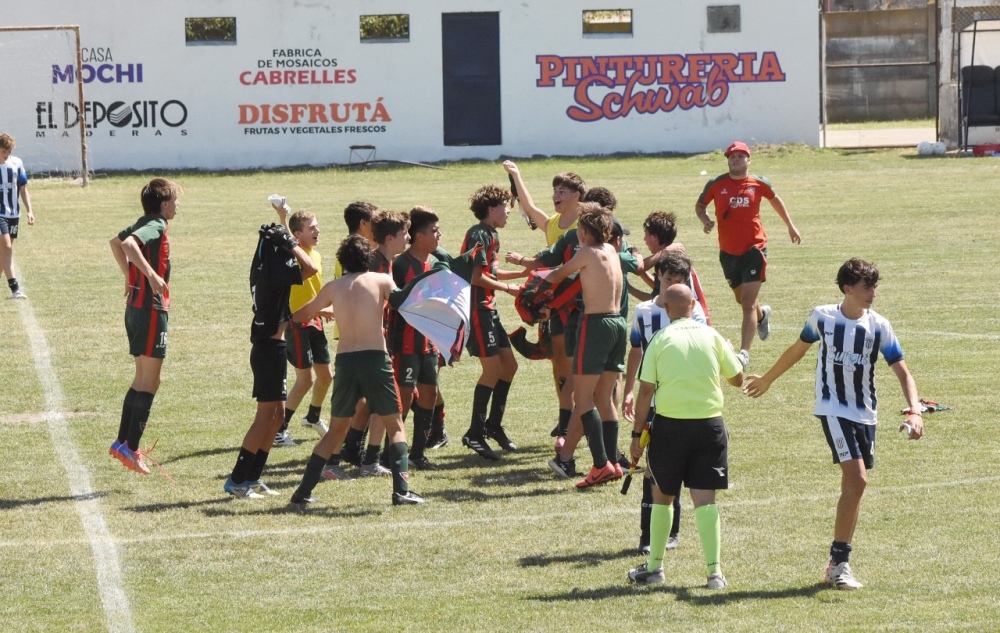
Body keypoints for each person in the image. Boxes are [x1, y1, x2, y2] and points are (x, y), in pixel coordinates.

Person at [743, 258, 923, 590]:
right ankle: (840, 563)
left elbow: (902, 370)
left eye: (875, 286)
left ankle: (837, 564)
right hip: (832, 409)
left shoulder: (879, 326)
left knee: (854, 488)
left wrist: (915, 410)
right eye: (867, 287)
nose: (873, 293)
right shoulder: (823, 317)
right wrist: (768, 379)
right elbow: (797, 349)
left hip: (865, 413)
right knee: (857, 478)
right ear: (847, 288)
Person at [289, 234, 424, 507]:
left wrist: (326, 308)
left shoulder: (333, 287)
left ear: (342, 260)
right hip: (376, 359)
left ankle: (302, 492)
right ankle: (401, 492)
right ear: (369, 258)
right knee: (395, 425)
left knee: (336, 430)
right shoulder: (382, 280)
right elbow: (403, 303)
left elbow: (300, 315)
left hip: (346, 362)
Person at [626, 283, 744, 589]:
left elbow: (645, 393)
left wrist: (636, 434)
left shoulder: (660, 339)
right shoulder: (713, 336)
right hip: (709, 427)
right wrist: (732, 352)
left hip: (669, 428)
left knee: (662, 497)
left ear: (666, 309)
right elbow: (736, 379)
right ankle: (714, 573)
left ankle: (654, 568)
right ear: (694, 305)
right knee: (705, 500)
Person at [223, 218, 318, 497]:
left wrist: (285, 232)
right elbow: (310, 267)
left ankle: (252, 477)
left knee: (277, 417)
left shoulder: (267, 265)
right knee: (265, 417)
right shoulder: (274, 273)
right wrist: (291, 242)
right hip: (267, 350)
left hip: (273, 348)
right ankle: (237, 479)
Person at [534, 203, 627, 489]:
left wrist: (533, 289)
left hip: (596, 325)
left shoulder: (585, 252)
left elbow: (557, 275)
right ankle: (612, 462)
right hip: (618, 324)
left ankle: (600, 466)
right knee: (605, 397)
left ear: (584, 232)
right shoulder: (611, 251)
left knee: (582, 397)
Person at [622, 252, 708, 555]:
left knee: (666, 469)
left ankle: (668, 533)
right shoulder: (642, 311)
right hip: (650, 399)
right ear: (658, 277)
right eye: (668, 279)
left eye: (679, 281)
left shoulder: (692, 314)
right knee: (651, 468)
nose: (673, 285)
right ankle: (650, 535)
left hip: (676, 402)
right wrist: (628, 389)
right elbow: (636, 350)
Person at [695, 141, 802, 368]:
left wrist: (790, 226)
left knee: (746, 303)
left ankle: (744, 353)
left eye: (740, 156)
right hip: (728, 252)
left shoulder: (759, 183)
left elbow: (775, 199)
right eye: (731, 157)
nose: (735, 160)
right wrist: (705, 221)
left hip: (755, 249)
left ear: (748, 159)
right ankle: (762, 316)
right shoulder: (716, 184)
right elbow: (700, 205)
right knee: (741, 299)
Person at [323, 209, 409, 479]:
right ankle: (341, 458)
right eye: (405, 233)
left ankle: (361, 457)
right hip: (367, 344)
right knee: (362, 405)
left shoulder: (387, 261)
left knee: (369, 403)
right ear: (390, 237)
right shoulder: (377, 266)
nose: (407, 237)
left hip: (375, 341)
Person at [503, 161, 587, 439]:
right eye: (554, 190)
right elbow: (528, 208)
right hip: (551, 302)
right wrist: (516, 176)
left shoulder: (584, 223)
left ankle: (575, 416)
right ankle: (566, 413)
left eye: (562, 190)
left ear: (577, 195)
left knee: (575, 360)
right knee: (559, 360)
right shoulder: (553, 223)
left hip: (575, 301)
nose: (556, 195)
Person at [107, 178, 183, 474]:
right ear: (164, 205)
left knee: (142, 379)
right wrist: (150, 275)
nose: (178, 206)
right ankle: (131, 447)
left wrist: (129, 276)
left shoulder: (145, 220)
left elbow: (115, 242)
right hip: (150, 310)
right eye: (175, 201)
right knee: (151, 381)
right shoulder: (157, 225)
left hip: (135, 308)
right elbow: (126, 244)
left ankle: (122, 442)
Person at [460, 184, 521, 461]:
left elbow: (491, 271)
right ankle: (475, 432)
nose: (509, 212)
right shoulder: (478, 234)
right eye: (506, 207)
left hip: (489, 309)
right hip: (477, 309)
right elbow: (475, 277)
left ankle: (493, 426)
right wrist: (508, 290)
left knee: (509, 366)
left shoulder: (491, 234)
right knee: (493, 369)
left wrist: (524, 273)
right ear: (492, 209)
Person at [272, 204, 332, 447]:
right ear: (298, 235)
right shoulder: (295, 256)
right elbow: (286, 240)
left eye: (317, 226)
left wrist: (322, 309)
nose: (318, 231)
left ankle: (313, 417)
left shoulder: (315, 254)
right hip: (297, 323)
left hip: (314, 320)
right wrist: (282, 218)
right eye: (312, 228)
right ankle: (279, 430)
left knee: (326, 376)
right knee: (305, 380)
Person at [391, 206, 443, 470]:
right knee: (403, 397)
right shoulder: (400, 264)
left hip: (428, 343)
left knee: (429, 395)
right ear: (419, 236)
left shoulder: (434, 263)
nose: (439, 235)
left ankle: (418, 454)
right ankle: (392, 454)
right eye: (435, 231)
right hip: (405, 344)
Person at [0, 133, 35, 300]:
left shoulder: (17, 163)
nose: (5, 155)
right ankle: (15, 288)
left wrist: (30, 211)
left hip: (13, 213)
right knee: (6, 247)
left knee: (4, 252)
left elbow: (23, 189)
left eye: (8, 151)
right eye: (3, 151)